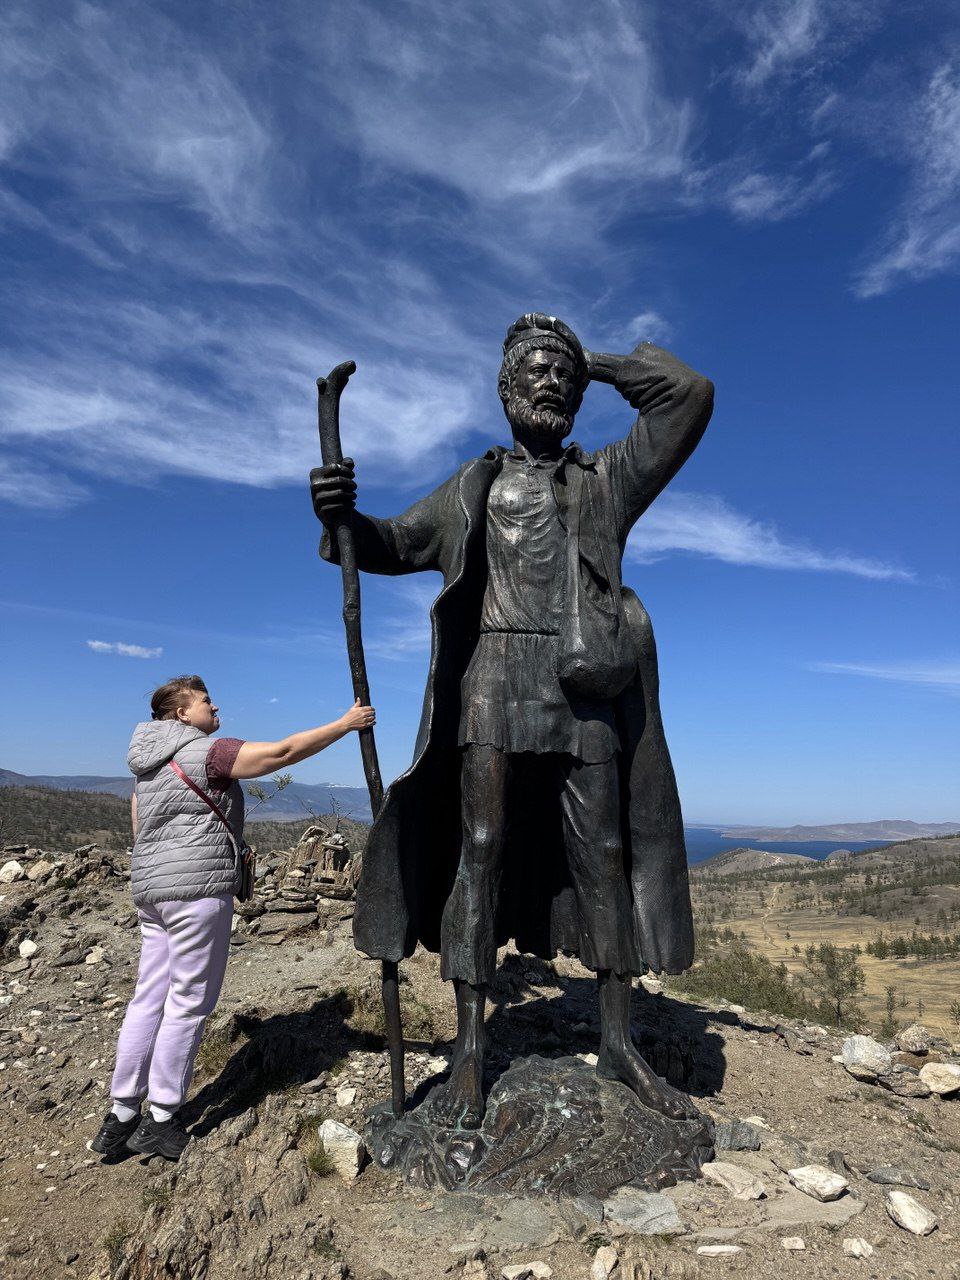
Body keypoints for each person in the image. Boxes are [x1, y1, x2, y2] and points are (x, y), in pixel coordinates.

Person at [311, 314, 713, 1129]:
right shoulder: (475, 484)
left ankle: (618, 1042)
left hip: (582, 686)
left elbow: (688, 396)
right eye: (536, 368)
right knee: (481, 848)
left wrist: (591, 359)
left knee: (605, 856)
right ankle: (469, 1048)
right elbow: (392, 542)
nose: (551, 381)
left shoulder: (606, 480)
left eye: (563, 373)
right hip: (492, 677)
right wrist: (340, 518)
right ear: (504, 388)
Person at [91, 674, 375, 1161]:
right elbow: (282, 753)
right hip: (197, 892)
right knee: (188, 1002)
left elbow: (139, 825)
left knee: (148, 998)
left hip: (151, 892)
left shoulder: (146, 764)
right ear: (182, 713)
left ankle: (120, 1116)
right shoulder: (209, 752)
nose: (215, 707)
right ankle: (161, 1118)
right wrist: (345, 724)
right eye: (206, 701)